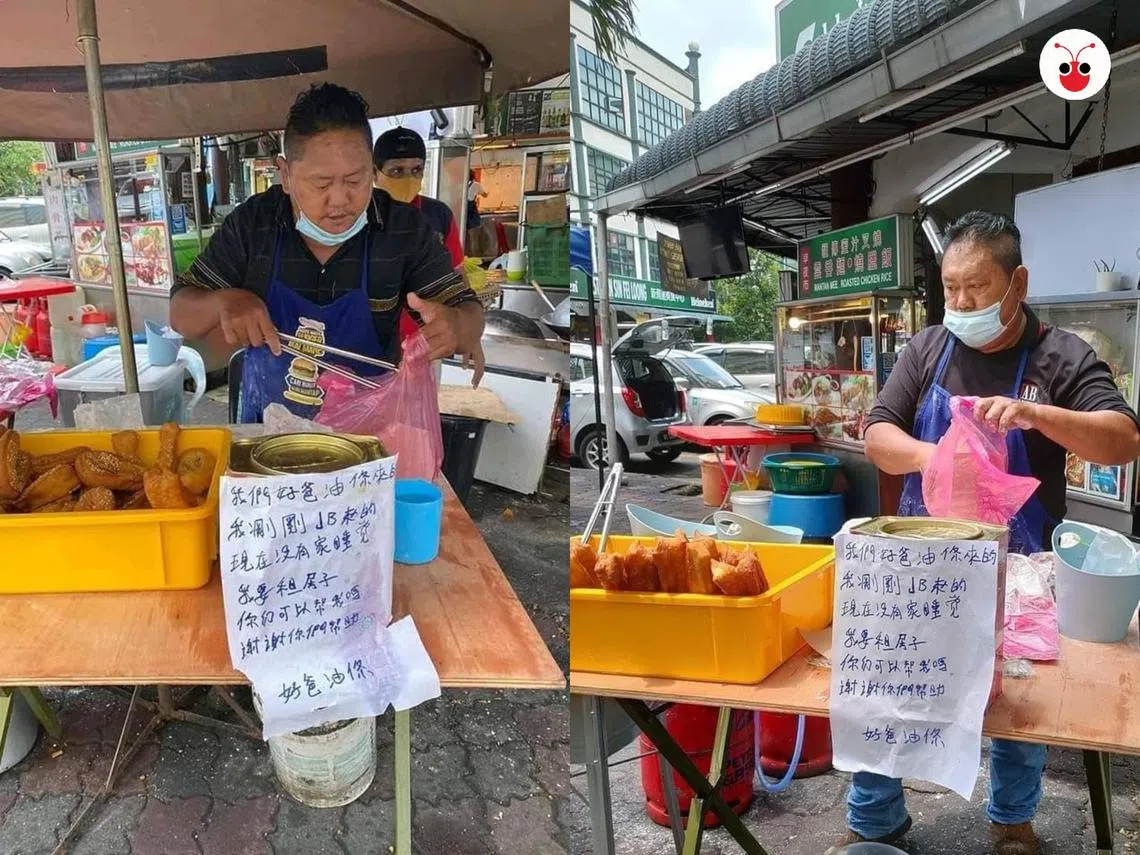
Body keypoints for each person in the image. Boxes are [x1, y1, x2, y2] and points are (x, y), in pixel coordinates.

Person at [838, 210, 1140, 855]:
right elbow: (877, 433)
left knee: (1019, 708)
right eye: (950, 287)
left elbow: (1123, 442)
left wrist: (1035, 413)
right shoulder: (927, 349)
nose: (960, 302)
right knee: (893, 687)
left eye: (975, 287)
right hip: (922, 564)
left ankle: (1012, 822)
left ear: (1017, 283)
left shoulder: (1062, 355)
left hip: (1022, 568)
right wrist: (933, 457)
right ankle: (874, 823)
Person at [170, 83, 485, 422]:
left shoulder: (402, 229)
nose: (339, 200)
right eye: (321, 184)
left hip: (368, 435)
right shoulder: (254, 225)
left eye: (355, 180)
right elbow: (180, 314)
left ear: (372, 170)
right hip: (267, 437)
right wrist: (224, 303)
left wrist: (459, 325)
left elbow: (467, 311)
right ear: (286, 175)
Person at [372, 127, 466, 346]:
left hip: (428, 339)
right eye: (397, 171)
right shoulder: (358, 216)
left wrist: (464, 331)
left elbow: (457, 274)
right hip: (372, 341)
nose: (408, 178)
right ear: (375, 173)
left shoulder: (438, 214)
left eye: (417, 170)